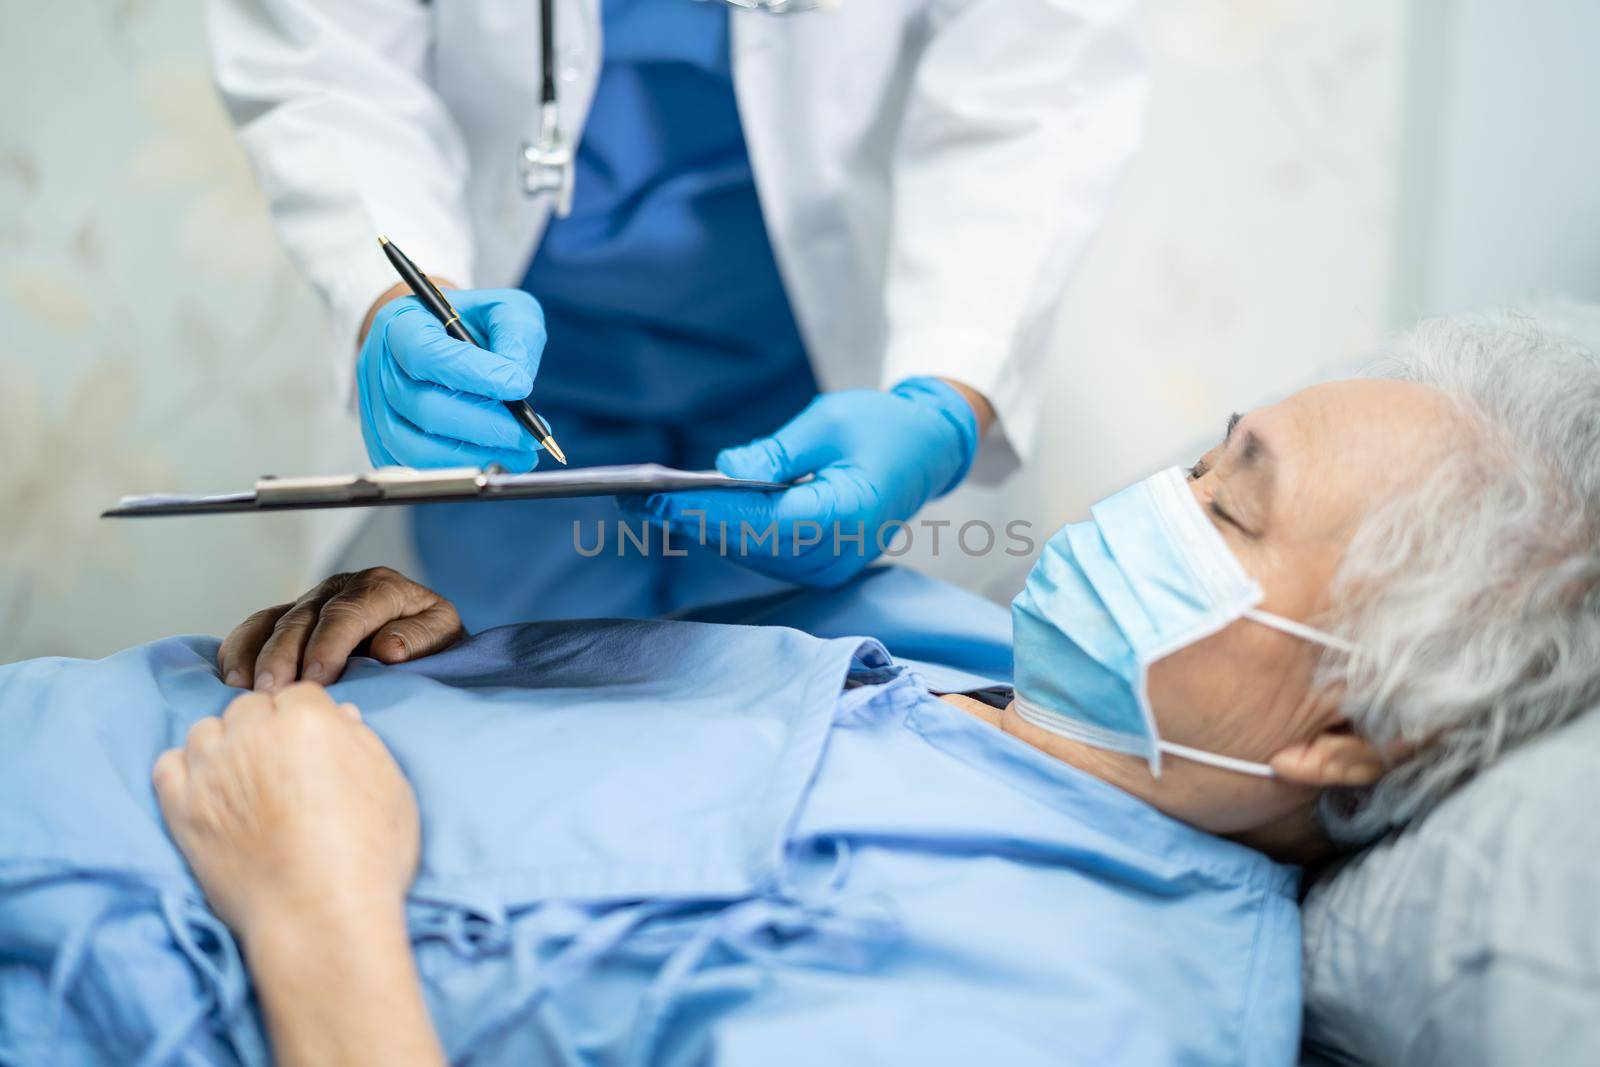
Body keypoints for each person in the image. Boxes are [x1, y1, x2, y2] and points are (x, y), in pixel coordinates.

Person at [5, 314, 1598, 1064]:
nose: (1152, 503)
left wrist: (316, 902)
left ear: (1346, 730)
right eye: (1201, 456)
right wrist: (446, 657)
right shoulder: (951, 650)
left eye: (1228, 508)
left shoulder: (1074, 1010)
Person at [204, 0, 1145, 628]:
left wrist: (944, 402)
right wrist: (395, 312)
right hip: (510, 399)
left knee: (839, 741)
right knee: (502, 740)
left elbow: (1032, 88)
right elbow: (330, 67)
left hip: (818, 380)